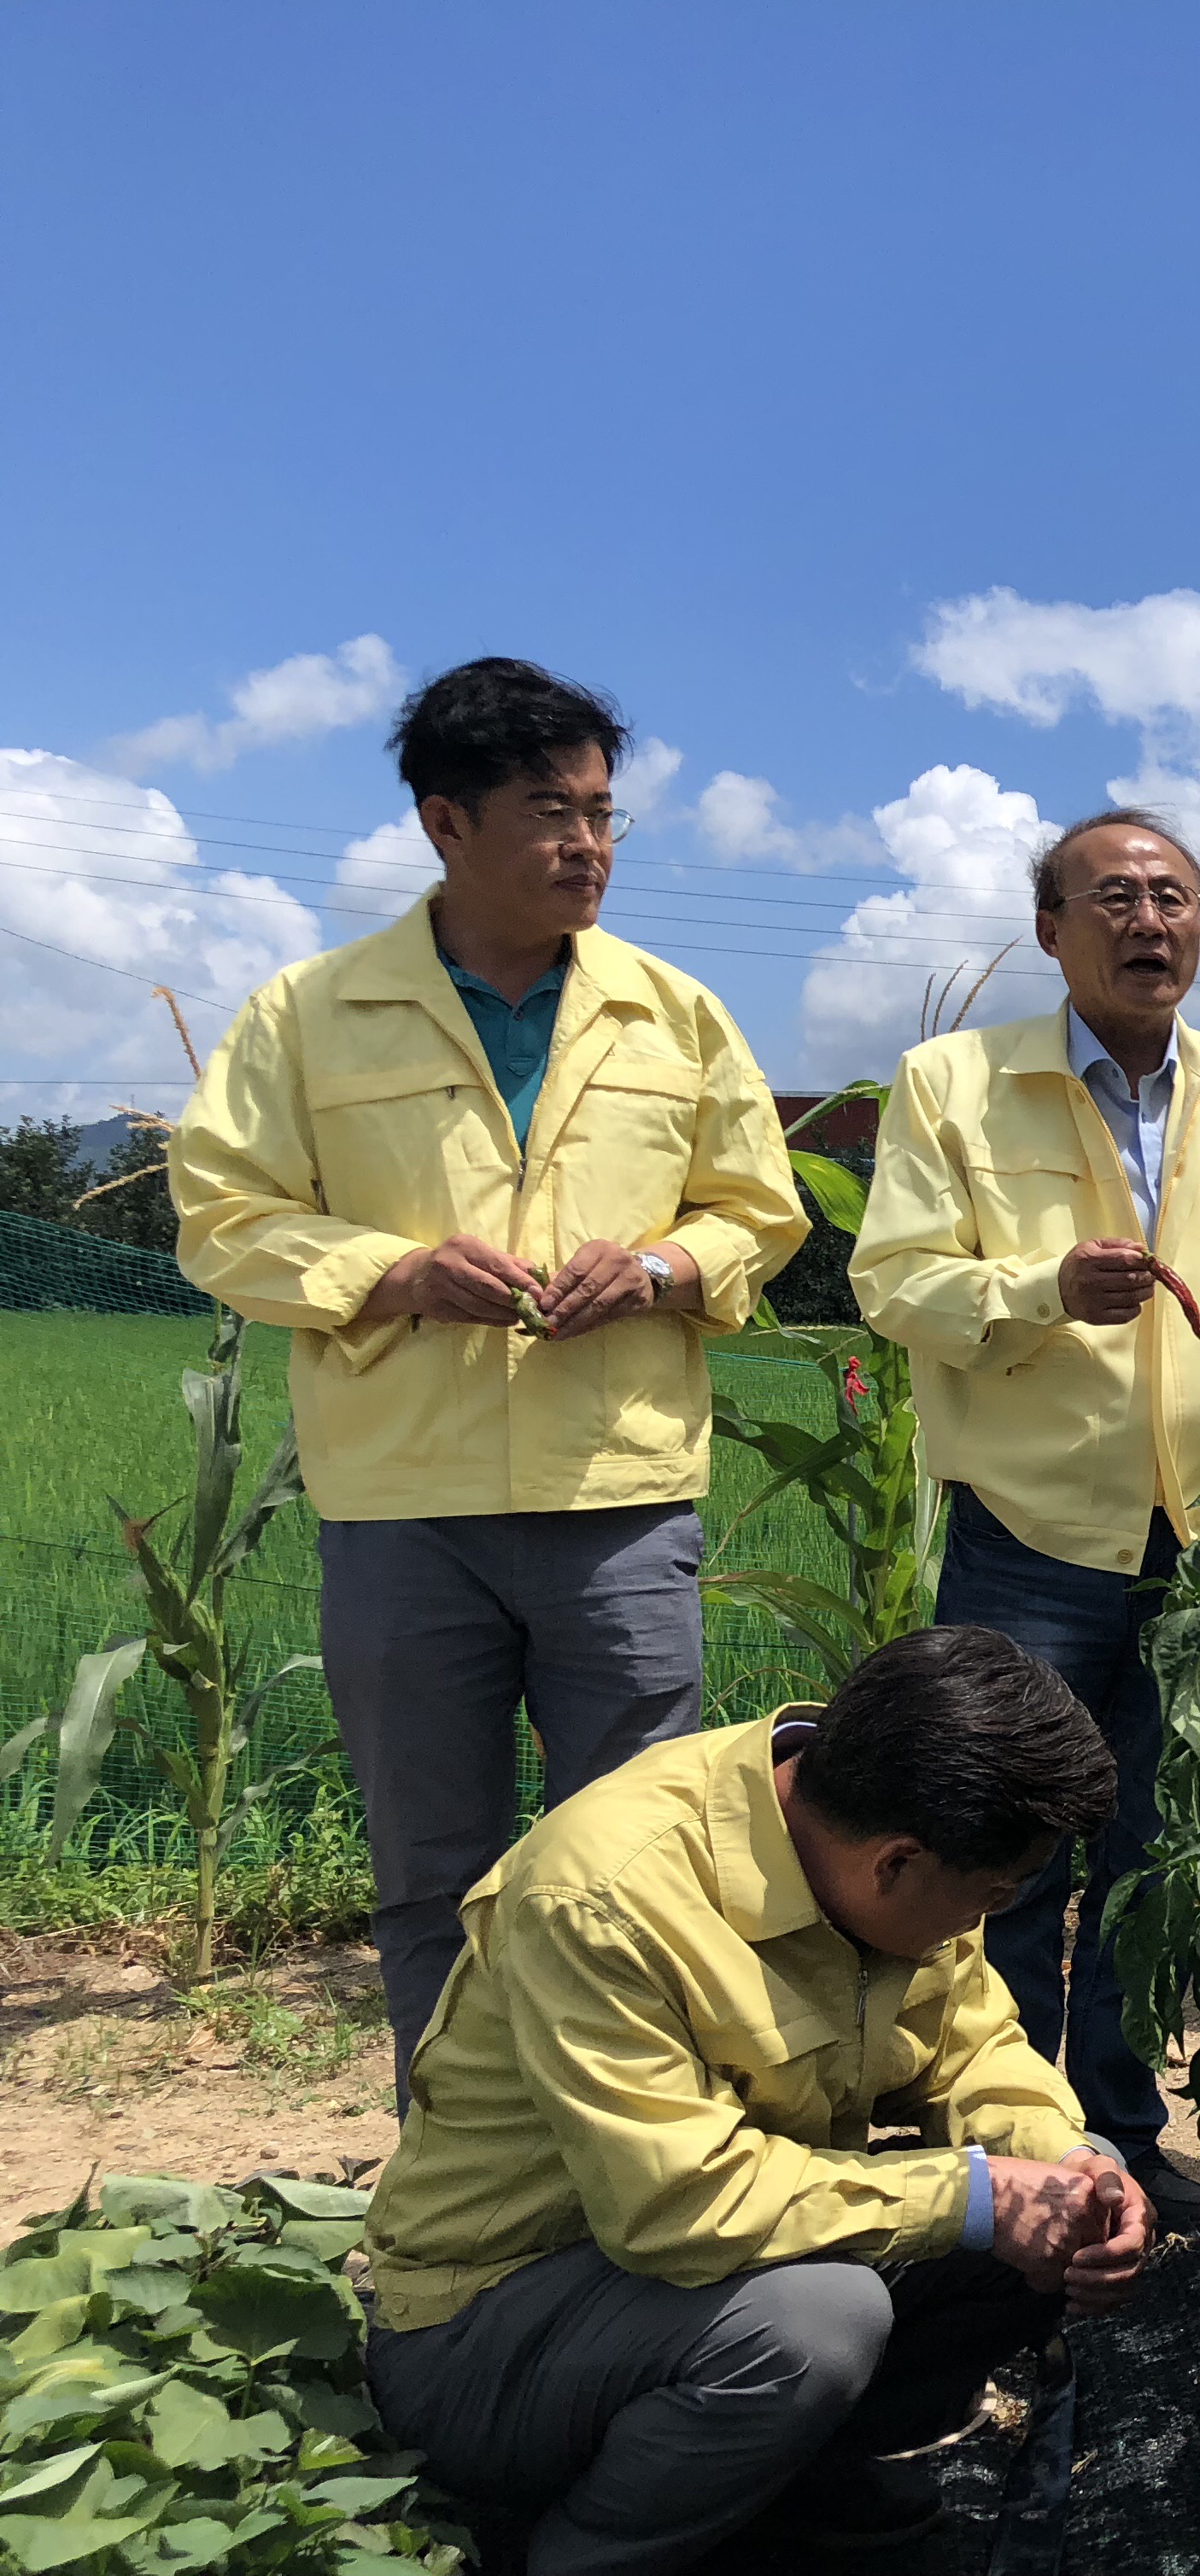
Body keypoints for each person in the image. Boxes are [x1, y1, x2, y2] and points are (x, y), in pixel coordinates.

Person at [170, 658, 806, 2082]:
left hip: (620, 1497)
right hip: (404, 1508)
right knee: (433, 1866)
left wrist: (657, 1269)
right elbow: (223, 1214)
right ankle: (456, 2193)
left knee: (632, 1865)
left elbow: (758, 1213)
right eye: (548, 811)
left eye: (601, 812)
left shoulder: (675, 1012)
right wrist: (393, 1272)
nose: (587, 844)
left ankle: (619, 2170)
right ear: (444, 824)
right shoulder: (310, 1013)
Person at [359, 1627, 1150, 2572]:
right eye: (986, 1898)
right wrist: (977, 2198)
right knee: (820, 2321)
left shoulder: (875, 1822)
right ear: (895, 1864)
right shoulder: (604, 1898)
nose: (981, 1920)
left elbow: (972, 2047)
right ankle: (586, 2553)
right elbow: (678, 2209)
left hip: (696, 2285)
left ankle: (789, 2479)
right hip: (490, 2332)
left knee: (1042, 2225)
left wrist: (1070, 2166)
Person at [850, 807, 1200, 2227]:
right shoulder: (953, 1084)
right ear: (1051, 927)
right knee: (995, 1846)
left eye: (1172, 896)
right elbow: (894, 1280)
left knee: (1152, 1855)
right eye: (1110, 896)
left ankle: (1120, 2132)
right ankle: (995, 2146)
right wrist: (1038, 1288)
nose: (1147, 921)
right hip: (1032, 1528)